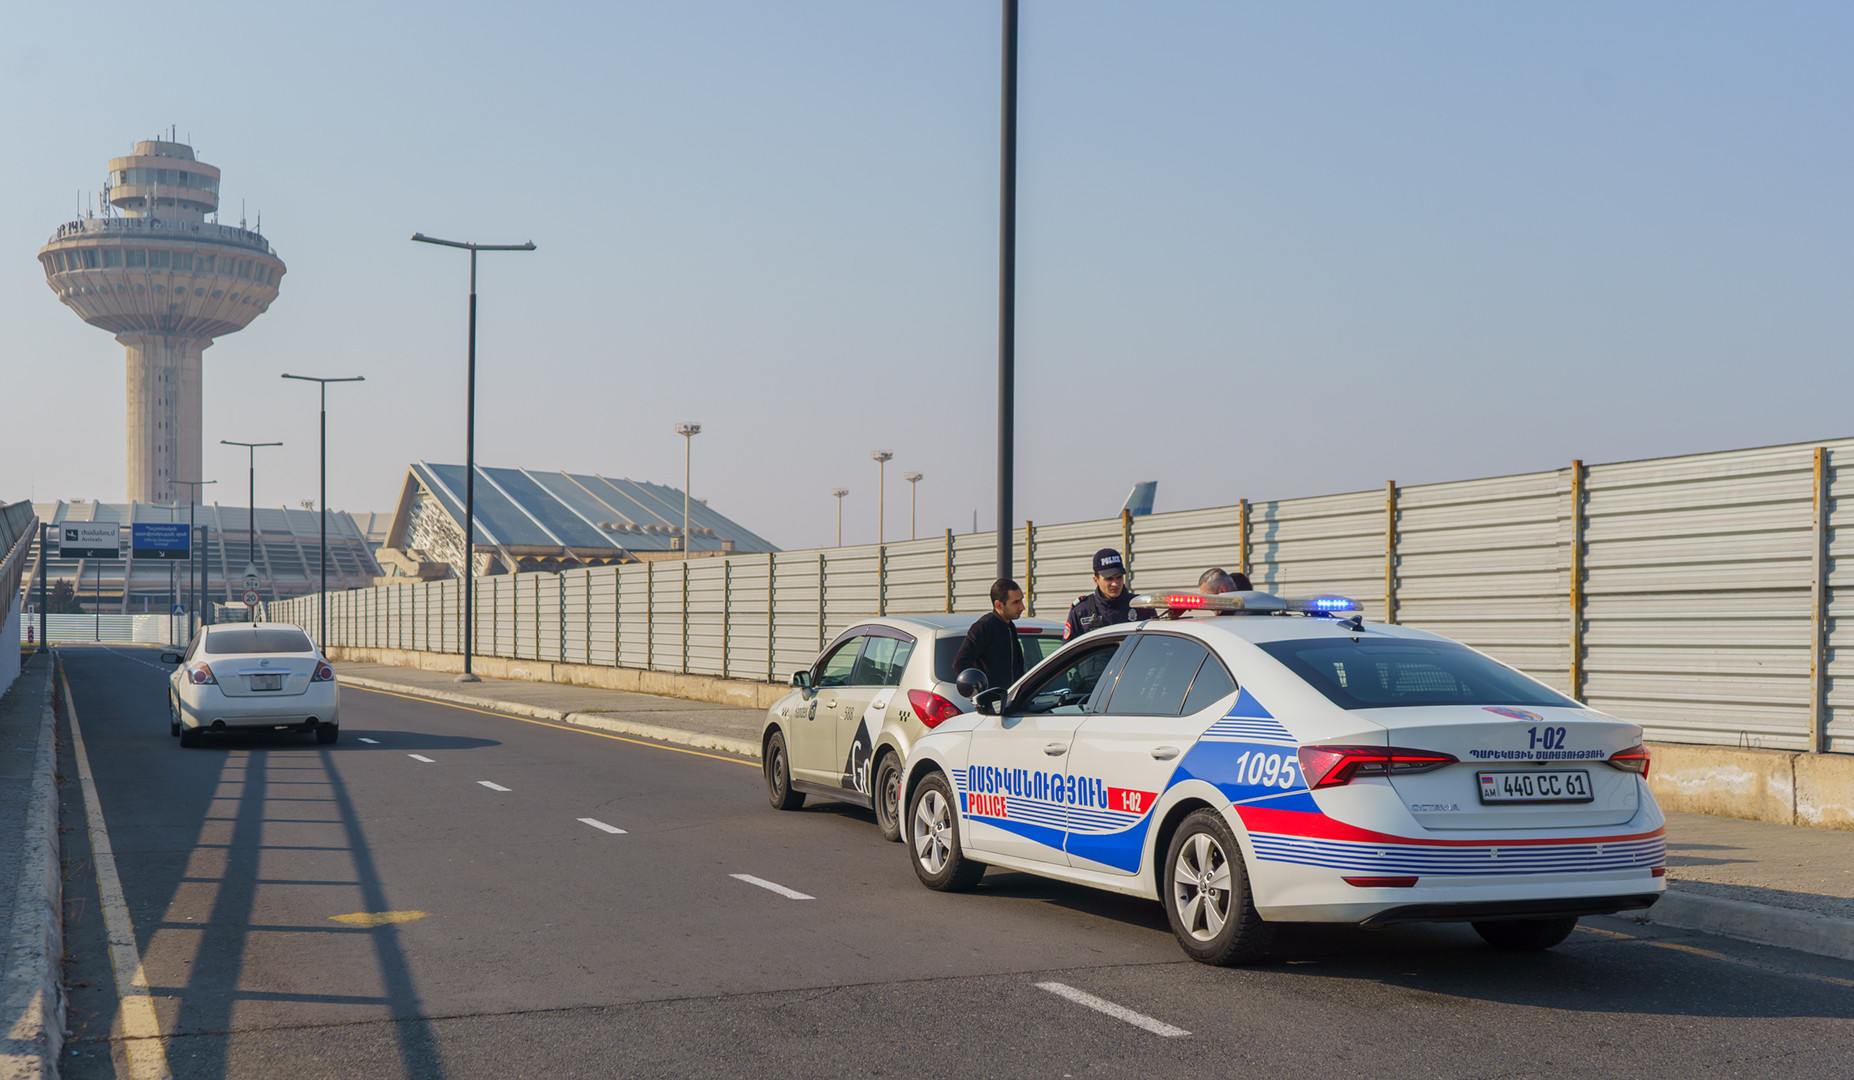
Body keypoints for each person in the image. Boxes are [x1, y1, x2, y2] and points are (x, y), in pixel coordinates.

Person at [1064, 548, 1156, 640]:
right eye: (1109, 578)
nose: (1115, 584)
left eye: (1119, 577)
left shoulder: (1141, 607)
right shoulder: (1082, 611)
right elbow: (1069, 647)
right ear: (1096, 580)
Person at [953, 578, 1027, 690]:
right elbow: (960, 663)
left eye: (1021, 600)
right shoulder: (983, 627)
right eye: (1016, 602)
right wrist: (980, 691)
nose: (1022, 607)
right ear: (998, 605)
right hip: (992, 698)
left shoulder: (1010, 626)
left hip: (1012, 697)